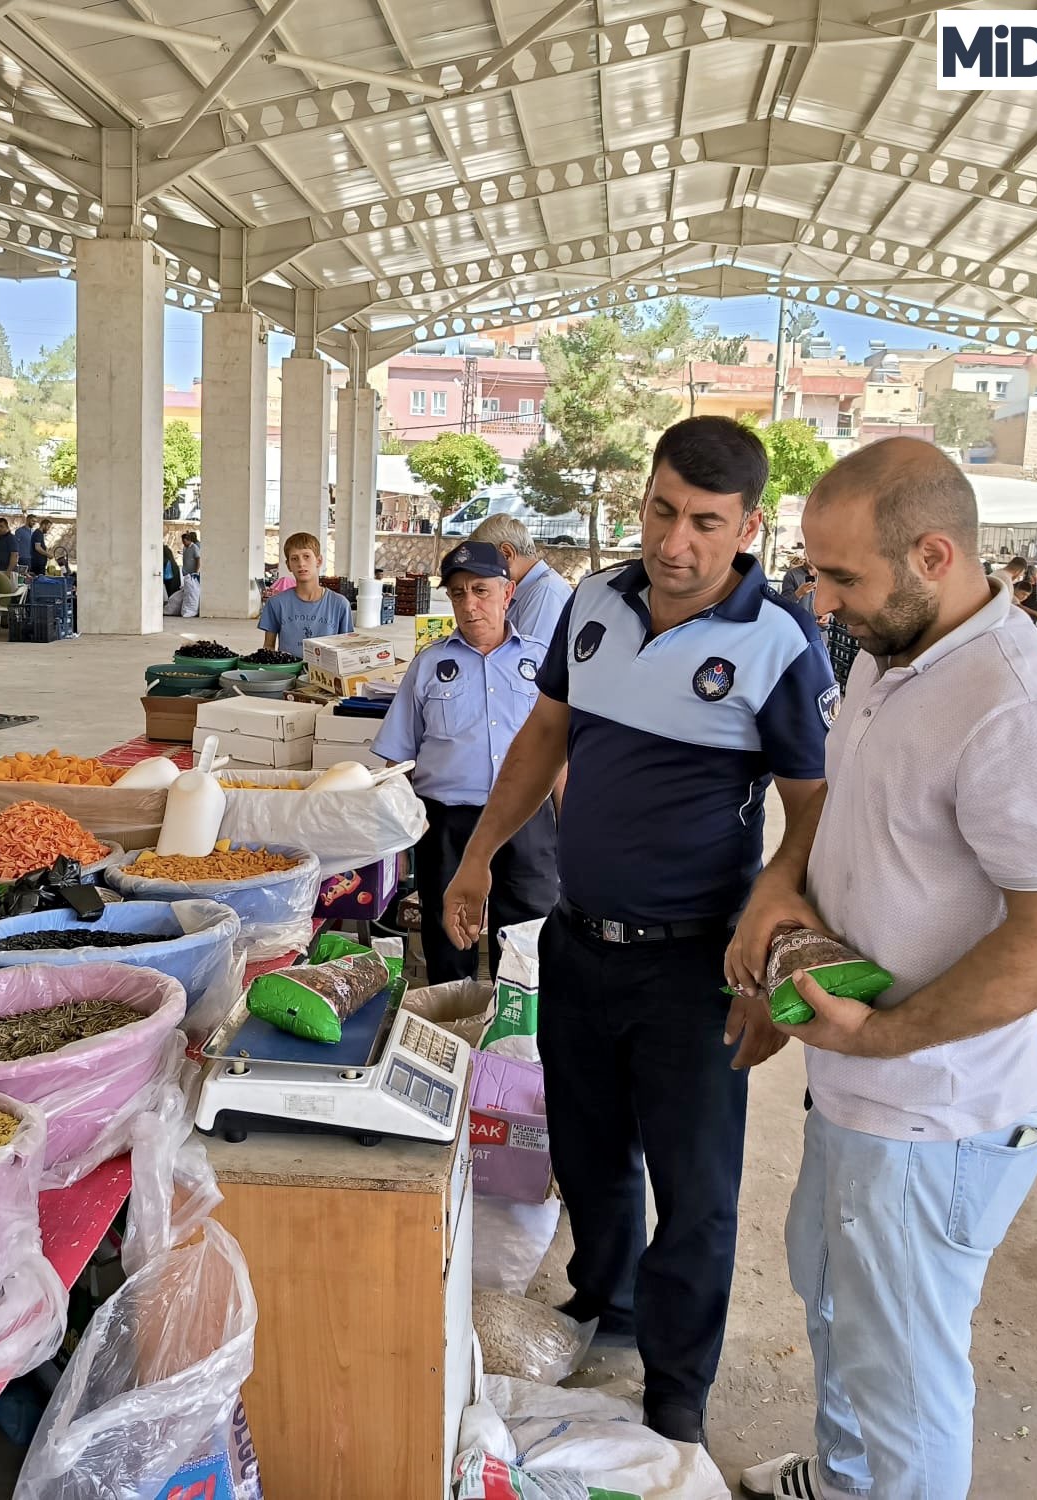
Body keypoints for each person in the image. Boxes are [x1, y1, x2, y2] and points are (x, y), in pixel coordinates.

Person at [442, 416, 835, 1445]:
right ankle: (601, 1300)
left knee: (695, 1189)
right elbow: (544, 735)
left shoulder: (776, 641)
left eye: (705, 523)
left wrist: (773, 915)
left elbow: (816, 805)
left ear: (747, 525)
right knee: (589, 1150)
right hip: (577, 942)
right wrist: (479, 855)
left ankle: (677, 1385)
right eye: (662, 511)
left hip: (696, 966)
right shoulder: (592, 604)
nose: (674, 543)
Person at [735, 438, 1037, 1500]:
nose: (818, 599)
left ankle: (879, 1479)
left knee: (904, 1378)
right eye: (813, 571)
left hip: (929, 1115)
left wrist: (882, 1036)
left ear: (933, 555)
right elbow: (843, 810)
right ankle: (845, 1478)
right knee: (836, 1307)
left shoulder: (1015, 709)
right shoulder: (892, 652)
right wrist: (777, 892)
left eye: (840, 576)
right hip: (855, 1089)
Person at [375, 541, 558, 983]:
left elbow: (561, 754)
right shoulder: (429, 665)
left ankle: (514, 1037)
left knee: (525, 938)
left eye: (481, 590)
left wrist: (569, 828)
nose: (470, 604)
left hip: (527, 819)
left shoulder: (541, 662)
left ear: (507, 593)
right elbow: (396, 760)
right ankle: (453, 1029)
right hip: (448, 824)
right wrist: (396, 845)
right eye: (458, 593)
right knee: (448, 934)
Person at [469, 514, 572, 645]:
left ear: (507, 554)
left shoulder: (544, 592)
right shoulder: (530, 590)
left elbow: (528, 661)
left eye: (483, 566)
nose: (480, 575)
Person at [259, 532, 351, 657]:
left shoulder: (339, 604)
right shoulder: (276, 603)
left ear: (318, 561)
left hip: (326, 675)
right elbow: (268, 647)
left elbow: (346, 649)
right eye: (294, 558)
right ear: (288, 565)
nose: (301, 564)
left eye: (306, 556)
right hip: (288, 674)